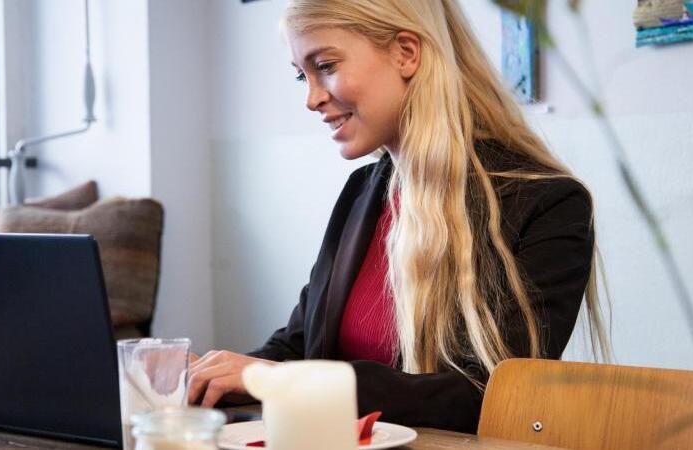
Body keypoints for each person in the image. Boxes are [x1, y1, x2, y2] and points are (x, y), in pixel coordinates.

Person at [187, 0, 610, 433]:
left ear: (407, 53)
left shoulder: (550, 204)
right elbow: (300, 345)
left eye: (326, 66)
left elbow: (489, 393)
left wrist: (285, 381)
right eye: (302, 75)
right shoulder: (361, 193)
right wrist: (216, 378)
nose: (311, 98)